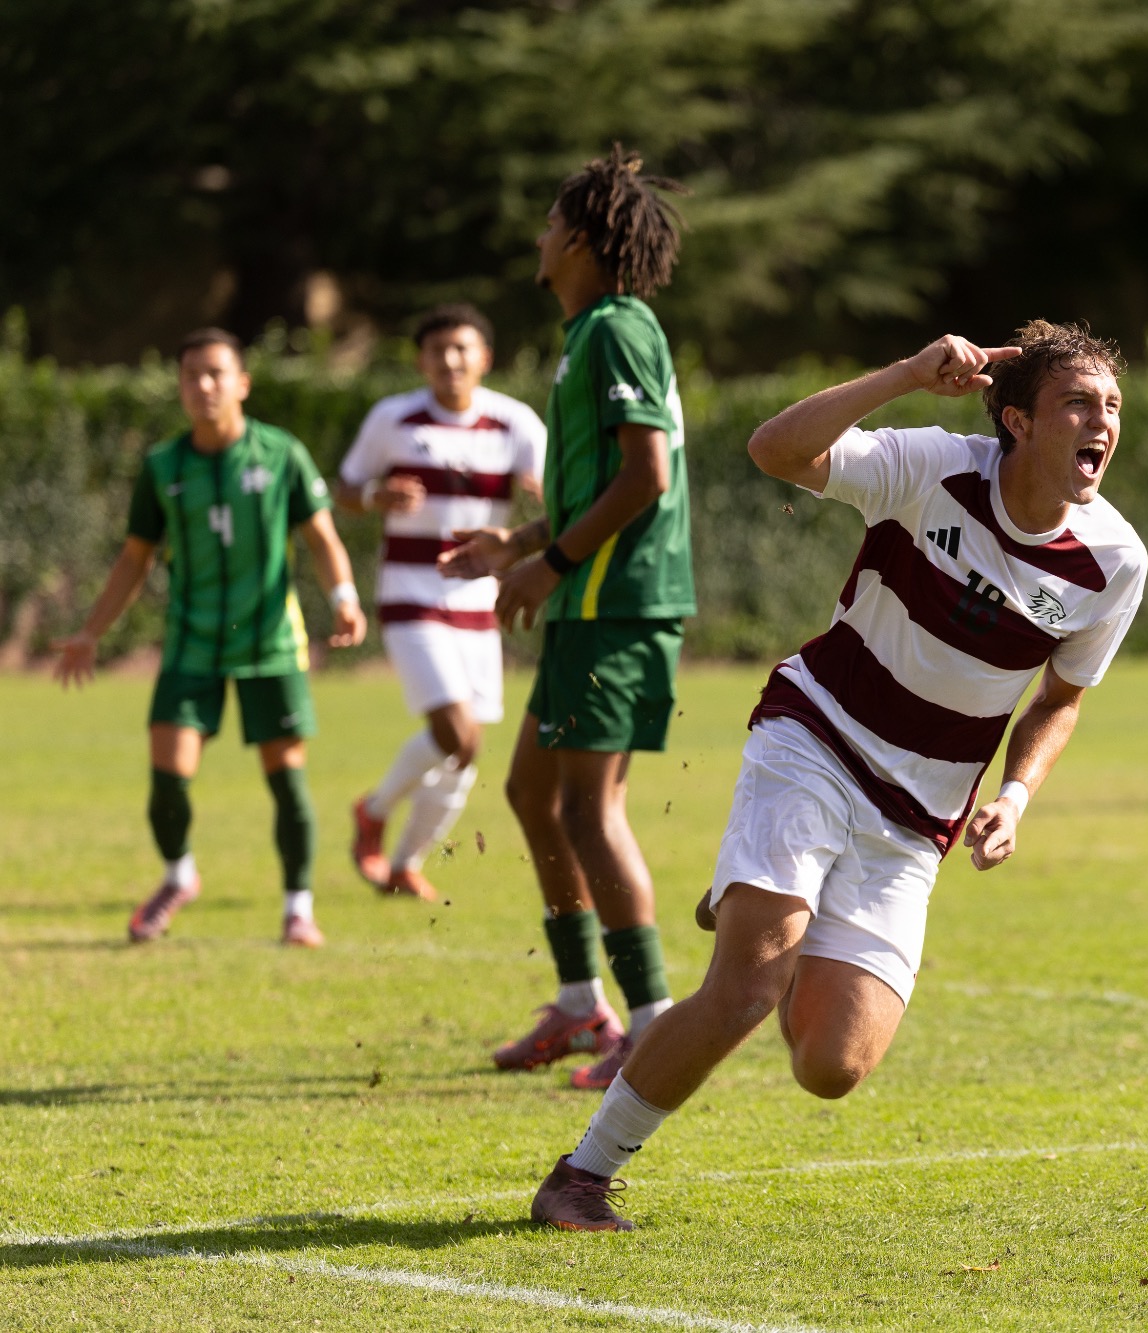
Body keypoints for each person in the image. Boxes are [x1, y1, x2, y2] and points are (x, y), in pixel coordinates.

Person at [528, 320, 1148, 1231]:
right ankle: (582, 1174)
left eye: (1114, 407)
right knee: (746, 988)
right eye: (1079, 403)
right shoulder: (932, 464)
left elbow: (1061, 698)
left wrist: (1016, 796)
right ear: (1016, 419)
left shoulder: (1115, 560)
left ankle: (768, 896)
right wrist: (902, 373)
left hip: (917, 816)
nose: (1103, 421)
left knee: (832, 1065)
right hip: (816, 738)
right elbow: (774, 449)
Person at [439, 147, 693, 1089]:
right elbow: (604, 484)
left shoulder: (621, 328)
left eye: (551, 223)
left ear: (583, 240)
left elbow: (647, 478)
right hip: (587, 600)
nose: (539, 237)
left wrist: (546, 566)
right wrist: (516, 542)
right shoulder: (591, 334)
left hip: (617, 606)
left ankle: (657, 1024)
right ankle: (586, 1001)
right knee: (531, 794)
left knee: (589, 806)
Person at [55, 328, 368, 946]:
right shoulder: (163, 466)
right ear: (179, 388)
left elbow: (323, 540)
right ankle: (179, 876)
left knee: (286, 777)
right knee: (168, 774)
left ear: (242, 383)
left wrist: (345, 598)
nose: (204, 386)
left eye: (216, 374)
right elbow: (133, 560)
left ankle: (298, 908)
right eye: (191, 376)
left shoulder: (282, 454)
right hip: (191, 643)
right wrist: (91, 632)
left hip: (270, 642)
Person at [337, 303, 546, 902]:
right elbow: (345, 488)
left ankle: (404, 864)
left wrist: (539, 495)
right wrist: (377, 494)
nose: (450, 361)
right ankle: (374, 811)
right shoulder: (393, 418)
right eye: (437, 351)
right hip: (410, 591)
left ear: (484, 357)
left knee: (467, 751)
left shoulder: (514, 423)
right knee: (459, 735)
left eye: (462, 349)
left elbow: (555, 492)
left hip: (481, 597)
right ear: (421, 361)